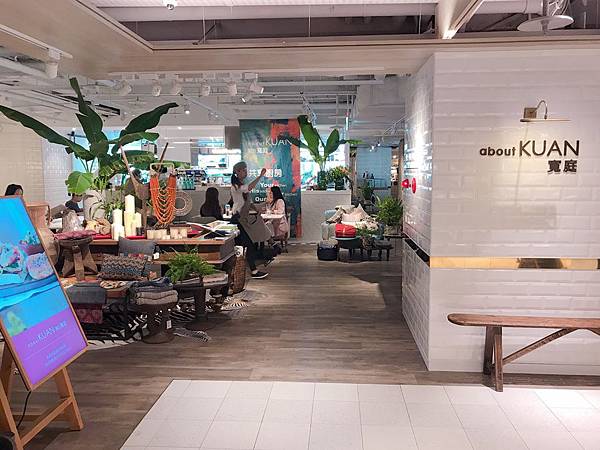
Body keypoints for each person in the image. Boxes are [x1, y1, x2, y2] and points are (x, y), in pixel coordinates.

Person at [231, 161, 271, 279]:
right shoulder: (236, 187)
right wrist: (260, 176)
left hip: (241, 219)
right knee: (247, 245)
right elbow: (249, 188)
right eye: (243, 170)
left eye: (246, 170)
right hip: (238, 219)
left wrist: (257, 209)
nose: (246, 172)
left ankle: (239, 270)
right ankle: (252, 271)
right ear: (237, 172)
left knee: (244, 245)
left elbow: (249, 202)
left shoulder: (240, 185)